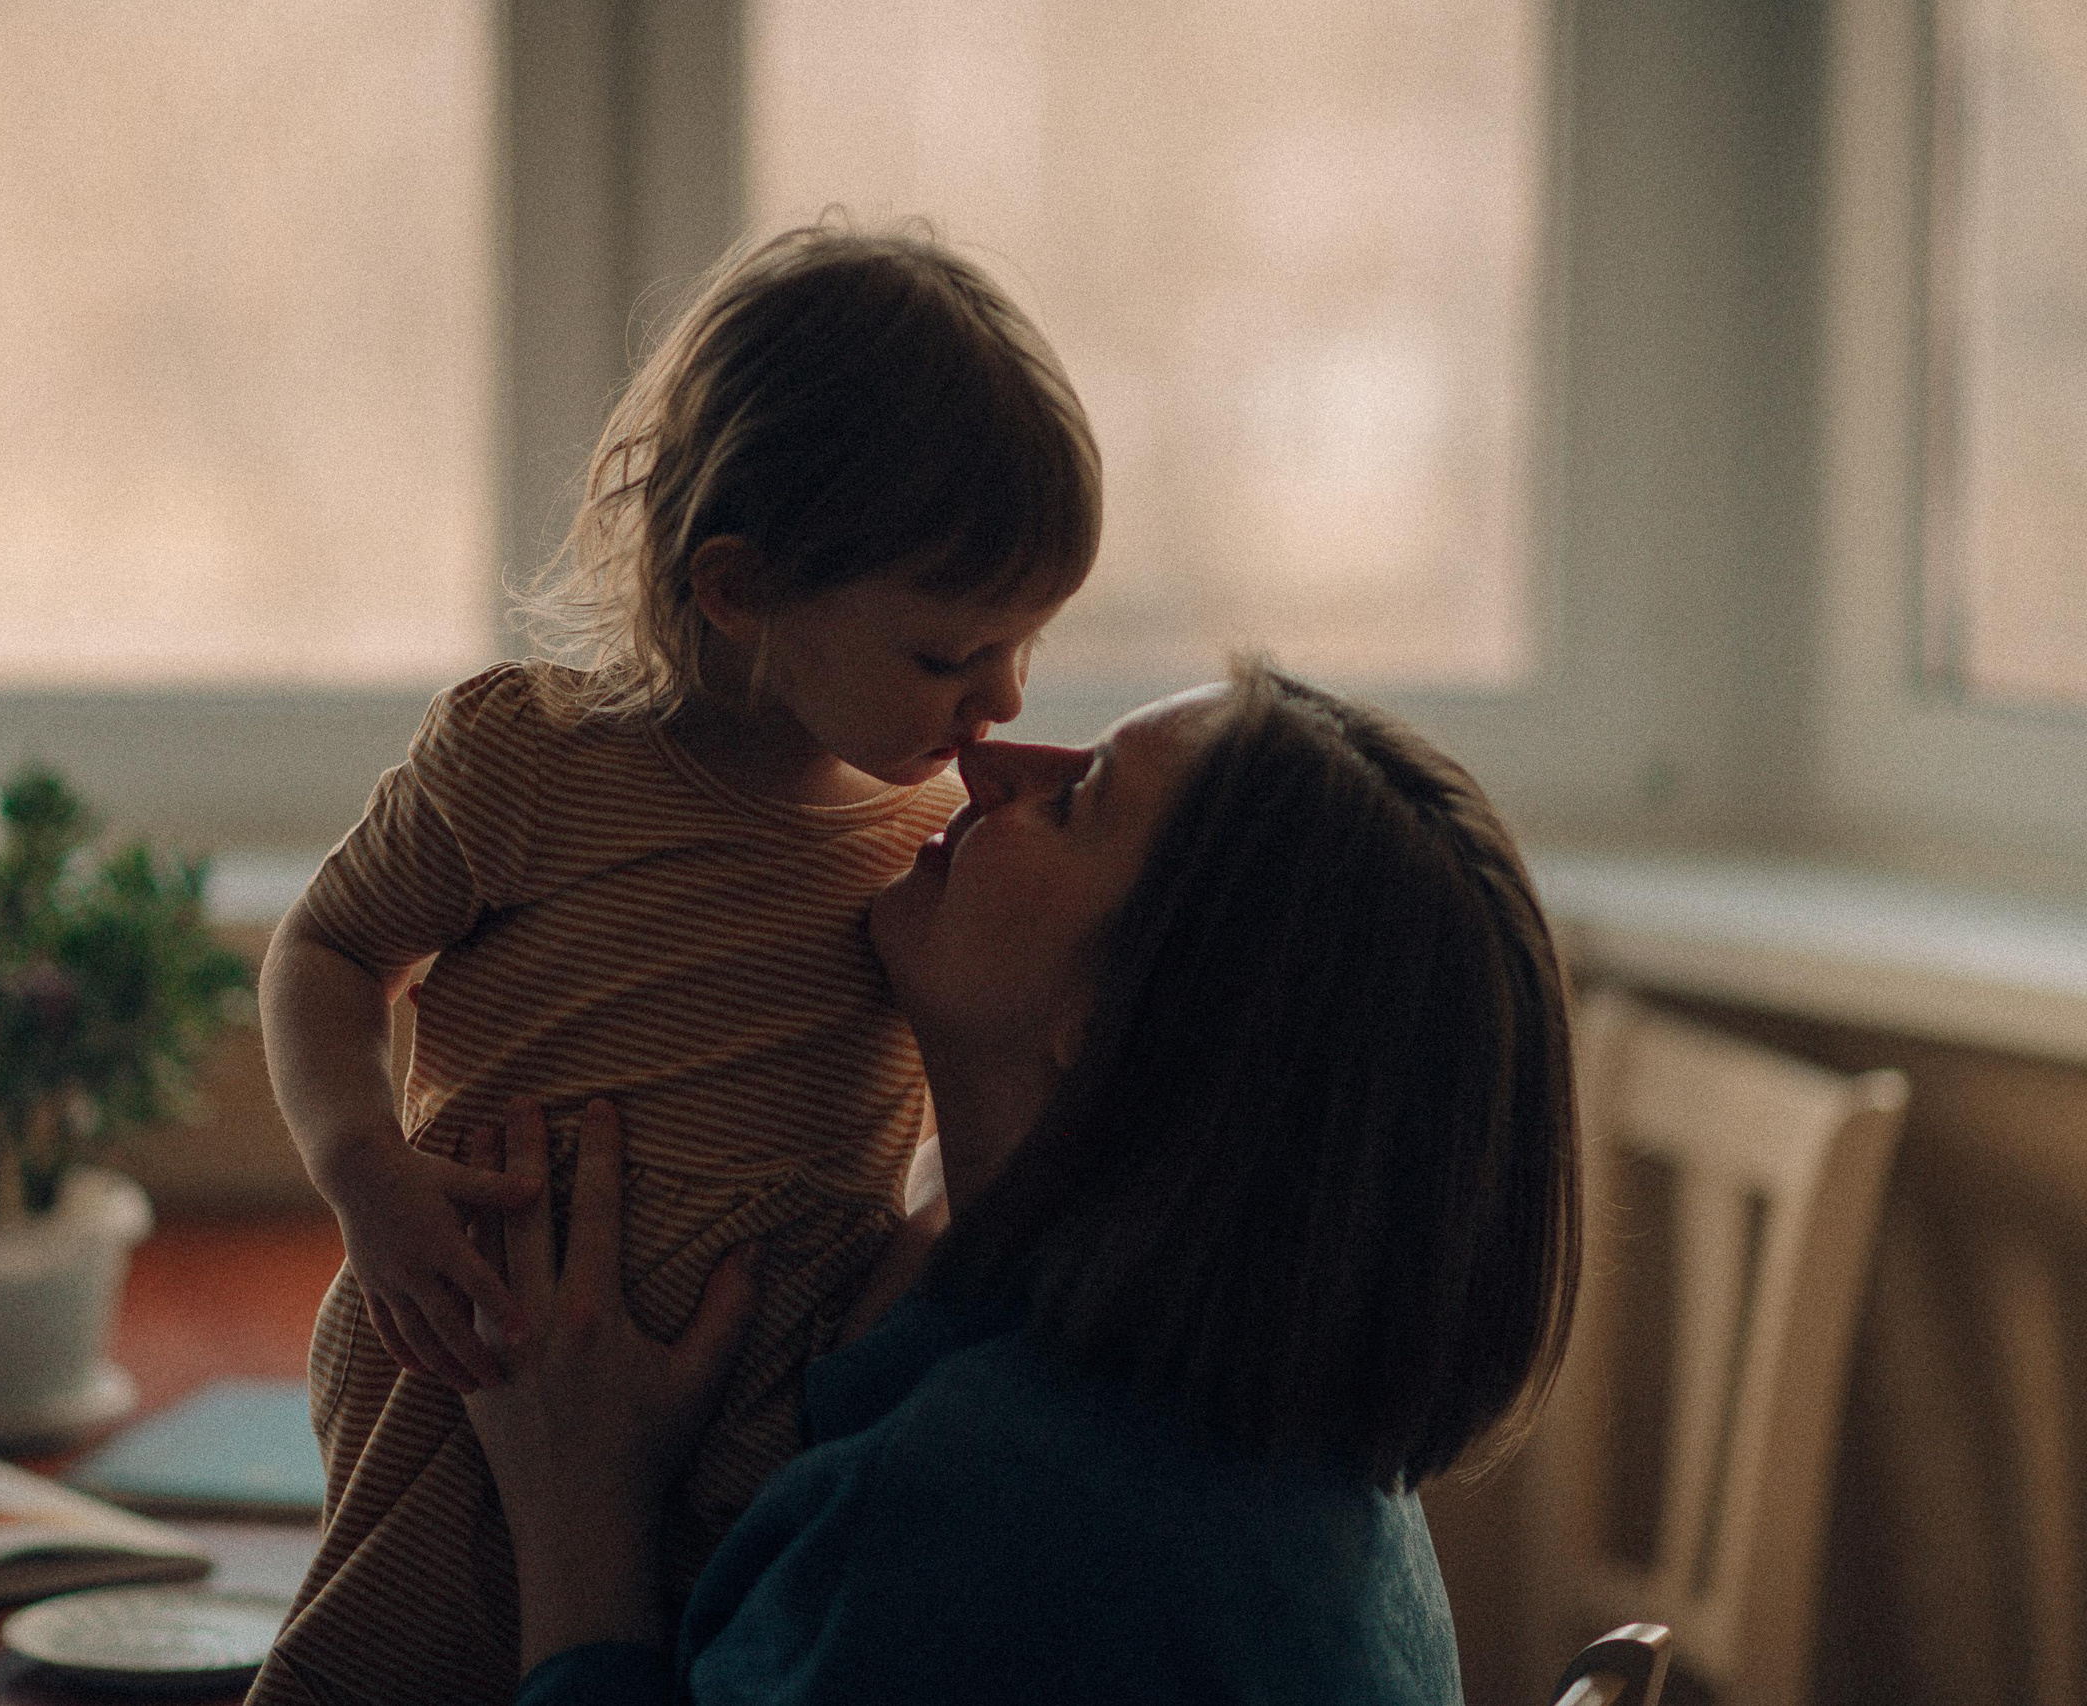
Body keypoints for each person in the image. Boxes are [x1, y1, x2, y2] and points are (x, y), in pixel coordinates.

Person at [249, 220, 1102, 1706]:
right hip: (482, 1356)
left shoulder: (929, 846)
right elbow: (325, 951)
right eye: (947, 653)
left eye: (1028, 641)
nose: (1003, 699)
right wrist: (359, 1168)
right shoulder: (530, 759)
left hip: (765, 1413)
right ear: (738, 588)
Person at [461, 662, 1584, 1704]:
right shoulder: (1284, 1427)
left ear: (1112, 1027)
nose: (985, 760)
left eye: (1076, 801)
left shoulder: (993, 1506)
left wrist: (580, 1533)